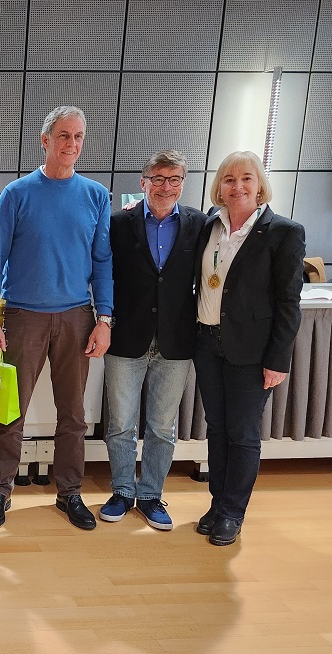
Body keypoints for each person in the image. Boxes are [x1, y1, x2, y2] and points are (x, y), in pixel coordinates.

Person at [0, 105, 113, 531]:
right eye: (63, 136)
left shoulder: (96, 196)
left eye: (78, 136)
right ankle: (0, 490)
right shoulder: (17, 193)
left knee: (73, 414)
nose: (71, 144)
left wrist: (105, 318)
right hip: (24, 317)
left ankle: (70, 492)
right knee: (10, 411)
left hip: (77, 317)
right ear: (45, 140)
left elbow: (103, 263)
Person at [193, 151, 305, 546]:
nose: (237, 186)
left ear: (259, 185)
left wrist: (278, 359)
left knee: (241, 432)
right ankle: (217, 502)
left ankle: (232, 512)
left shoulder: (283, 232)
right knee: (217, 427)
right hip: (207, 344)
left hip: (252, 352)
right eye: (228, 179)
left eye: (246, 178)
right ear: (219, 187)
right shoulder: (210, 225)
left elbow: (289, 303)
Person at [100, 150, 206, 530]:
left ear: (183, 184)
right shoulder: (118, 223)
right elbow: (104, 274)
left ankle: (150, 495)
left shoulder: (199, 224)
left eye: (174, 179)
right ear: (143, 182)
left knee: (162, 427)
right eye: (158, 178)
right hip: (126, 337)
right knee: (121, 424)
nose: (166, 186)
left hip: (176, 340)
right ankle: (122, 491)